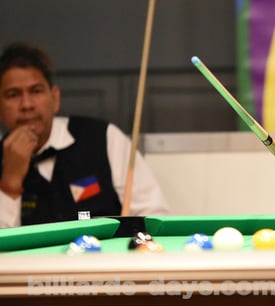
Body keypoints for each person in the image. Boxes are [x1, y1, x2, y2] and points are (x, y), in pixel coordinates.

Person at [0, 42, 170, 228]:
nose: (26, 105)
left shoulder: (103, 138)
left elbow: (154, 216)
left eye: (36, 91)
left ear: (55, 98)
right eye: (13, 94)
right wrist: (10, 184)